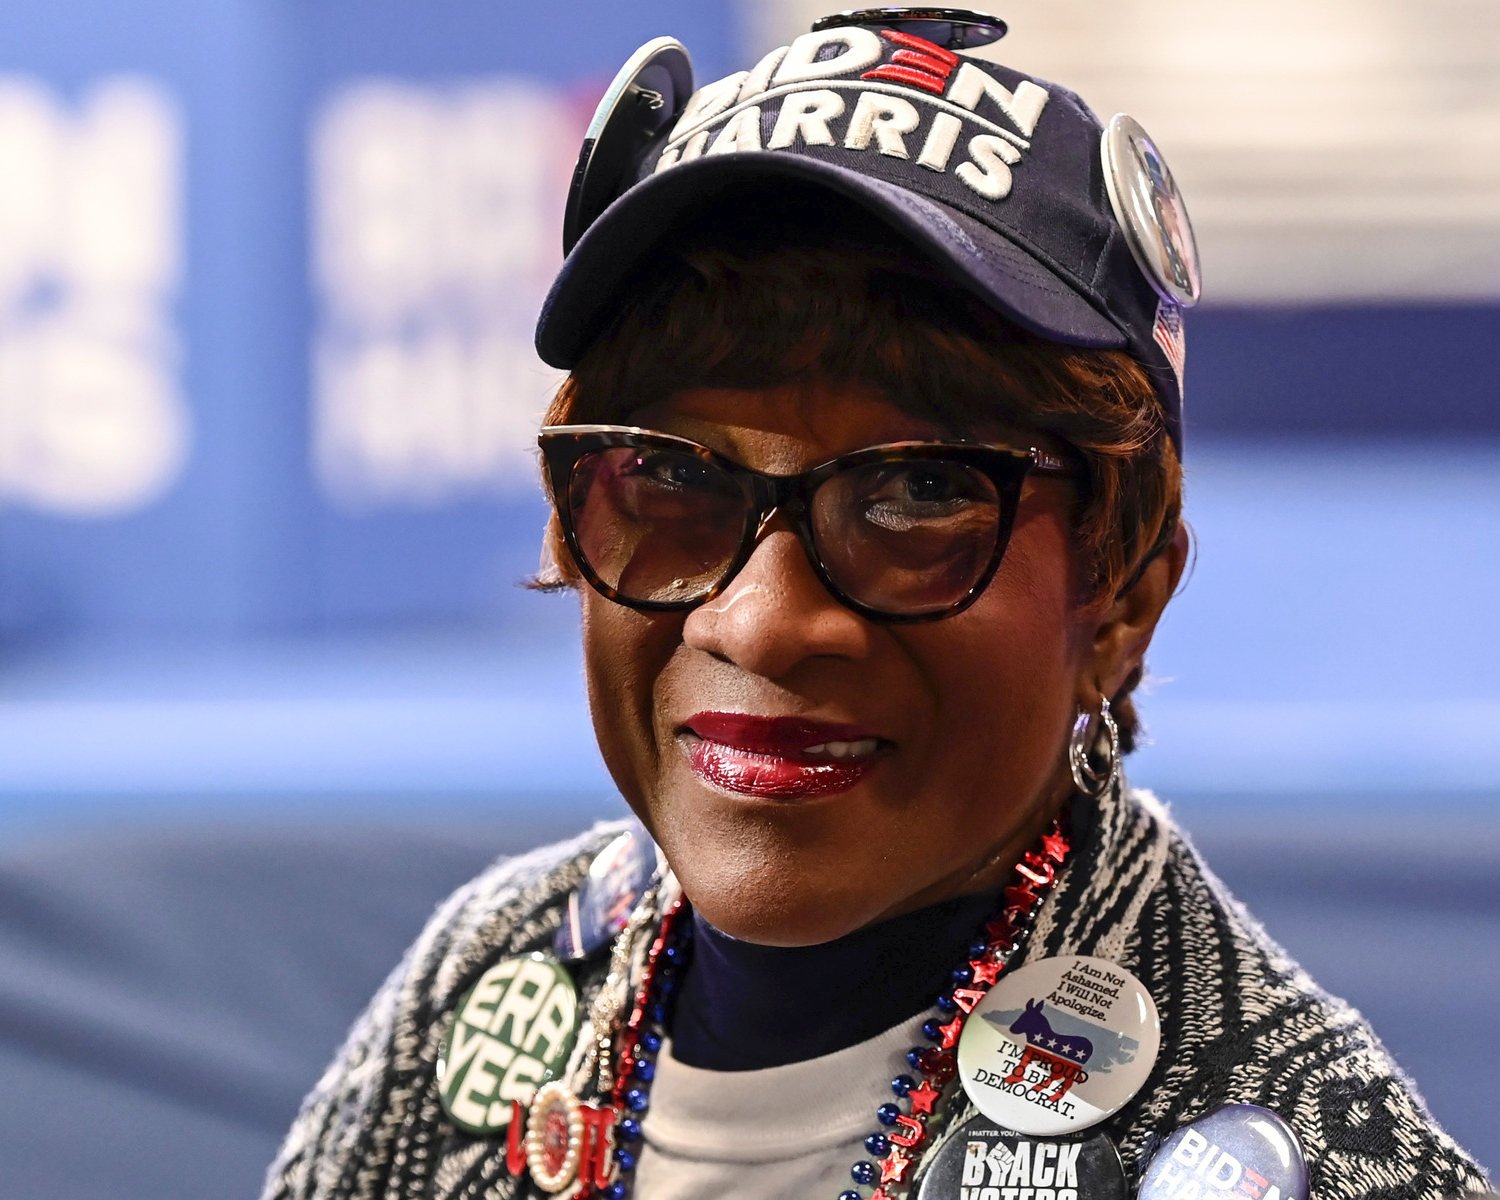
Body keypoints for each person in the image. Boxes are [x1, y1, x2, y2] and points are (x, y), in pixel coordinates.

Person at [265, 11, 1490, 1200]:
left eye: (916, 494)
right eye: (671, 476)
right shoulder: (494, 983)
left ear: (1121, 601)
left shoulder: (1290, 1146)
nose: (757, 622)